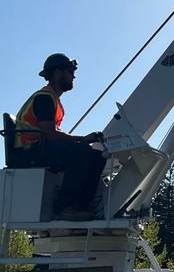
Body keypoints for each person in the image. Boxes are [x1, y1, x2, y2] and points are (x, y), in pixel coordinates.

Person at [14, 53, 105, 220]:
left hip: (39, 146)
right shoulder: (44, 98)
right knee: (81, 151)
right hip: (30, 149)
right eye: (70, 71)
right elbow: (49, 134)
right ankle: (64, 207)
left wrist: (82, 140)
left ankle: (81, 206)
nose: (73, 76)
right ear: (57, 73)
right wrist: (82, 139)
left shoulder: (53, 99)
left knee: (97, 156)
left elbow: (52, 134)